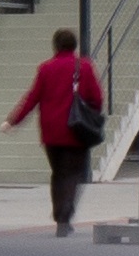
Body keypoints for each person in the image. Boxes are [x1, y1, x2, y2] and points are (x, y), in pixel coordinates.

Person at [7, 25, 105, 234]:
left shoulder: (45, 68)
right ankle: (64, 216)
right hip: (76, 130)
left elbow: (32, 98)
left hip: (51, 132)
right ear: (74, 45)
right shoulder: (85, 67)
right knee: (73, 174)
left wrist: (13, 121)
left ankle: (59, 214)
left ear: (56, 46)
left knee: (58, 173)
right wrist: (91, 114)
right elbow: (97, 98)